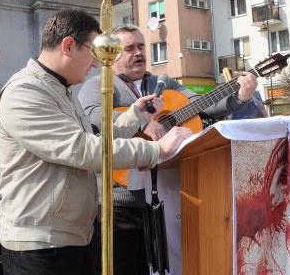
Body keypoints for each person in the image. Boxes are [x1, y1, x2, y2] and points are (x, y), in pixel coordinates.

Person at [0, 9, 192, 275]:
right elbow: (82, 150)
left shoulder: (60, 90)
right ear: (68, 46)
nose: (98, 63)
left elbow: (93, 140)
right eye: (94, 51)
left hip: (71, 235)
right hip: (40, 244)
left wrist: (135, 115)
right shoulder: (25, 92)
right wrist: (155, 150)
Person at [77, 24, 258, 275]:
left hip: (167, 199)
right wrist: (143, 121)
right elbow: (94, 120)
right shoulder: (98, 84)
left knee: (166, 266)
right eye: (129, 48)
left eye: (141, 46)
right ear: (113, 54)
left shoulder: (164, 82)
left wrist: (240, 96)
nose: (138, 52)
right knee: (125, 267)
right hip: (122, 202)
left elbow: (201, 104)